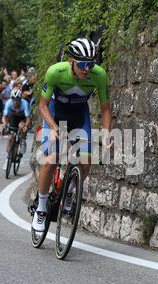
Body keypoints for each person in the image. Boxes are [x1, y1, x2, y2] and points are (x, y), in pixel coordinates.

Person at [32, 38, 112, 232]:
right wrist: (52, 127)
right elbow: (42, 105)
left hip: (79, 116)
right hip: (54, 115)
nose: (87, 69)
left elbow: (105, 108)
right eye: (83, 64)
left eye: (91, 64)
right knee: (52, 158)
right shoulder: (55, 72)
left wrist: (107, 132)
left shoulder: (99, 76)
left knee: (85, 163)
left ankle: (68, 191)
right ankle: (41, 209)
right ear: (71, 61)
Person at [2, 89, 31, 170]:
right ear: (11, 99)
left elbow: (28, 118)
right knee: (10, 137)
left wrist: (26, 126)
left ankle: (22, 141)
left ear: (20, 99)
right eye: (13, 100)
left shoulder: (24, 103)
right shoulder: (8, 103)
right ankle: (7, 158)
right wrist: (4, 124)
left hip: (22, 117)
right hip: (13, 117)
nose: (15, 102)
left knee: (22, 126)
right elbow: (5, 117)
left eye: (17, 100)